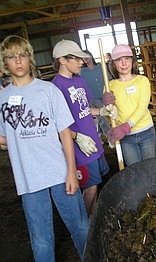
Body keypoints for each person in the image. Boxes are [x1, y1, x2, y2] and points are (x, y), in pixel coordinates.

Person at [0, 35, 89, 260]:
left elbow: (65, 134)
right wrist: (21, 141)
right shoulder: (2, 98)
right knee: (40, 238)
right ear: (4, 63)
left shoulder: (48, 91)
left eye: (22, 56)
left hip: (60, 173)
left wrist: (71, 171)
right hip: (28, 179)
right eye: (11, 57)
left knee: (80, 227)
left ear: (30, 59)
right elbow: (3, 137)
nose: (18, 61)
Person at [52, 39, 117, 217]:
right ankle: (85, 224)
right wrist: (76, 137)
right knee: (90, 188)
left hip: (92, 141)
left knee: (95, 187)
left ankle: (92, 220)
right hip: (79, 147)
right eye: (77, 58)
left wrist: (102, 111)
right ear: (62, 60)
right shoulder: (56, 87)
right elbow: (57, 124)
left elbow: (85, 108)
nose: (82, 62)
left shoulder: (79, 79)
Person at [102, 44, 156, 166]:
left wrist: (126, 126)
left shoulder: (142, 81)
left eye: (127, 58)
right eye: (119, 60)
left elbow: (142, 108)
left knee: (150, 169)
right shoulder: (109, 86)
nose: (124, 63)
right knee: (133, 171)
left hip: (145, 131)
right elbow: (110, 116)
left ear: (132, 60)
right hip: (125, 138)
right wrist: (107, 107)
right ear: (113, 63)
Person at [80, 50, 113, 148]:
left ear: (91, 56)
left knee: (103, 118)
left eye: (87, 56)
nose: (86, 59)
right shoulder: (82, 72)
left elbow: (109, 79)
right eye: (84, 58)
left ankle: (98, 136)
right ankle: (110, 138)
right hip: (92, 98)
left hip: (104, 95)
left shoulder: (100, 67)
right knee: (102, 117)